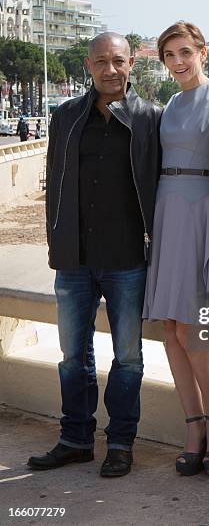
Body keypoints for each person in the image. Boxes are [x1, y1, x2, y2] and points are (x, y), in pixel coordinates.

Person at [28, 32, 162, 477]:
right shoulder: (65, 115)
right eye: (102, 61)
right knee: (72, 357)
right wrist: (54, 240)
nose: (110, 70)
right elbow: (54, 183)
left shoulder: (149, 118)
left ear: (131, 66)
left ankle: (121, 442)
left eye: (118, 61)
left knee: (127, 357)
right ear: (89, 65)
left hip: (127, 259)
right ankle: (75, 439)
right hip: (73, 257)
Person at [143, 22, 209, 476]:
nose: (178, 62)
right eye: (169, 55)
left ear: (202, 51)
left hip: (201, 210)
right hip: (166, 210)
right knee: (170, 328)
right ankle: (193, 424)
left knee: (194, 329)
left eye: (185, 52)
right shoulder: (169, 106)